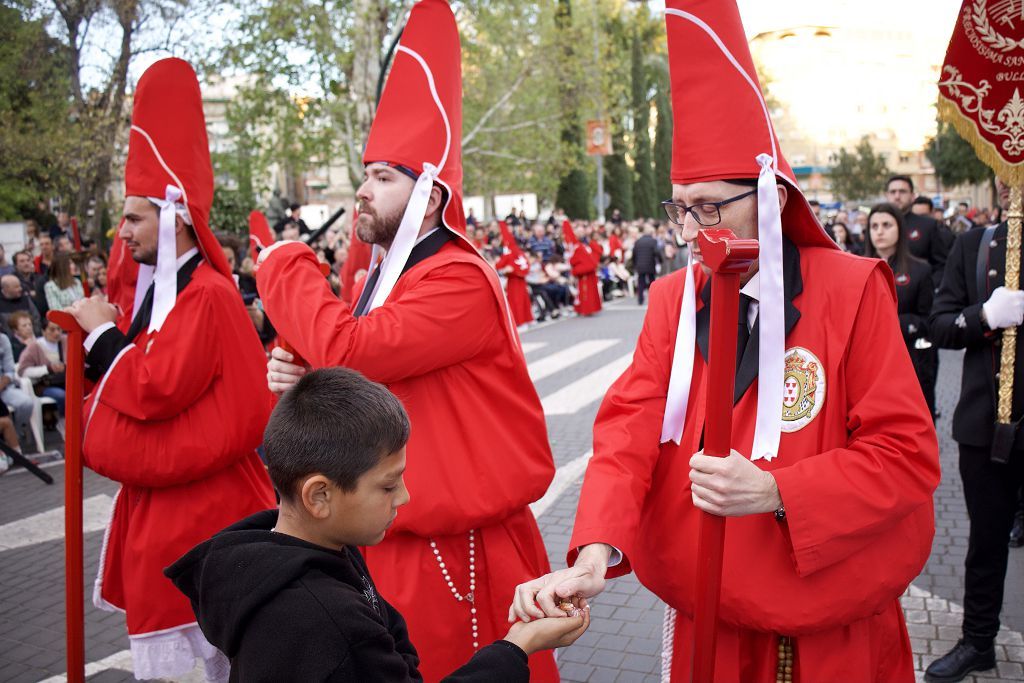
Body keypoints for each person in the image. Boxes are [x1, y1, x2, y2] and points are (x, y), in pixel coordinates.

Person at [512, 2, 939, 680]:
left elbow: (905, 456)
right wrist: (592, 552)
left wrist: (778, 489)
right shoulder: (670, 298)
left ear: (768, 196)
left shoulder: (853, 288)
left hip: (826, 623)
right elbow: (627, 433)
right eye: (679, 206)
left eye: (709, 206)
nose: (688, 231)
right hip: (705, 615)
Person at [254, 4, 557, 680]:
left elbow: (356, 350)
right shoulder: (389, 274)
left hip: (453, 549)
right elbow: (360, 366)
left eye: (382, 177)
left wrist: (283, 262)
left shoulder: (458, 278)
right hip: (389, 533)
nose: (362, 191)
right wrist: (302, 371)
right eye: (365, 174)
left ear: (428, 193)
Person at [166, 368, 589, 682]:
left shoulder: (313, 548)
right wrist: (519, 646)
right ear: (319, 496)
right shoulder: (323, 619)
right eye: (388, 485)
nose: (404, 497)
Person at [65, 58, 276, 681]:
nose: (120, 231)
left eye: (133, 217)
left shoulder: (205, 292)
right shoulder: (175, 292)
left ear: (173, 216)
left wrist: (103, 333)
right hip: (179, 507)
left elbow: (157, 388)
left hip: (202, 513)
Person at [927, 178, 1024, 681]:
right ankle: (979, 640)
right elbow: (941, 325)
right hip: (988, 425)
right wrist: (985, 314)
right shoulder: (974, 244)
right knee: (986, 542)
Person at [864, 203, 935, 417]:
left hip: (909, 357)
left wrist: (889, 324)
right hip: (867, 360)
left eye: (886, 225)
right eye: (874, 226)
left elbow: (928, 320)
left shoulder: (920, 269)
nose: (880, 231)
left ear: (899, 229)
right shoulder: (856, 266)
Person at [885, 175, 952, 289]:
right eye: (893, 192)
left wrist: (931, 288)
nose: (897, 196)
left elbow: (941, 264)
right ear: (886, 196)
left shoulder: (928, 225)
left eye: (902, 191)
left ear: (912, 196)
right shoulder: (875, 225)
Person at [17, 319, 67, 417]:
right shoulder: (34, 347)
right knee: (62, 396)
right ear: (43, 331)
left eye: (59, 329)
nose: (56, 333)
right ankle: (63, 421)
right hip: (44, 384)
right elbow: (23, 371)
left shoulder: (66, 340)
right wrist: (47, 369)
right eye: (52, 330)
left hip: (65, 381)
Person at [495, 221, 534, 327]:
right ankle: (525, 319)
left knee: (516, 301)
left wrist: (511, 270)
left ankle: (520, 321)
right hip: (519, 280)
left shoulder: (509, 252)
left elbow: (498, 266)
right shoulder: (518, 251)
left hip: (514, 281)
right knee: (522, 300)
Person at [563, 221, 602, 317]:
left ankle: (588, 309)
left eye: (582, 231)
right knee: (583, 291)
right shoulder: (577, 244)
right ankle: (582, 308)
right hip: (583, 271)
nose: (581, 233)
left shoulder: (585, 243)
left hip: (587, 271)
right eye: (579, 232)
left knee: (587, 291)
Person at [632, 224, 660, 305]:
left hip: (640, 265)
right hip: (650, 264)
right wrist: (660, 261)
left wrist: (635, 264)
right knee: (652, 282)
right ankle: (653, 298)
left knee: (641, 282)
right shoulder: (653, 241)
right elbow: (657, 252)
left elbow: (634, 254)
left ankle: (640, 299)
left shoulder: (638, 241)